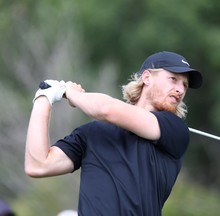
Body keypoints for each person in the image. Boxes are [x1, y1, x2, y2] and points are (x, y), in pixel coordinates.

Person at [25, 51, 203, 215]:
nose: (180, 89)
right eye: (173, 79)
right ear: (147, 77)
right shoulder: (92, 133)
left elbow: (107, 109)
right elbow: (38, 165)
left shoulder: (175, 129)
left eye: (185, 85)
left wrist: (72, 94)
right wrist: (43, 98)